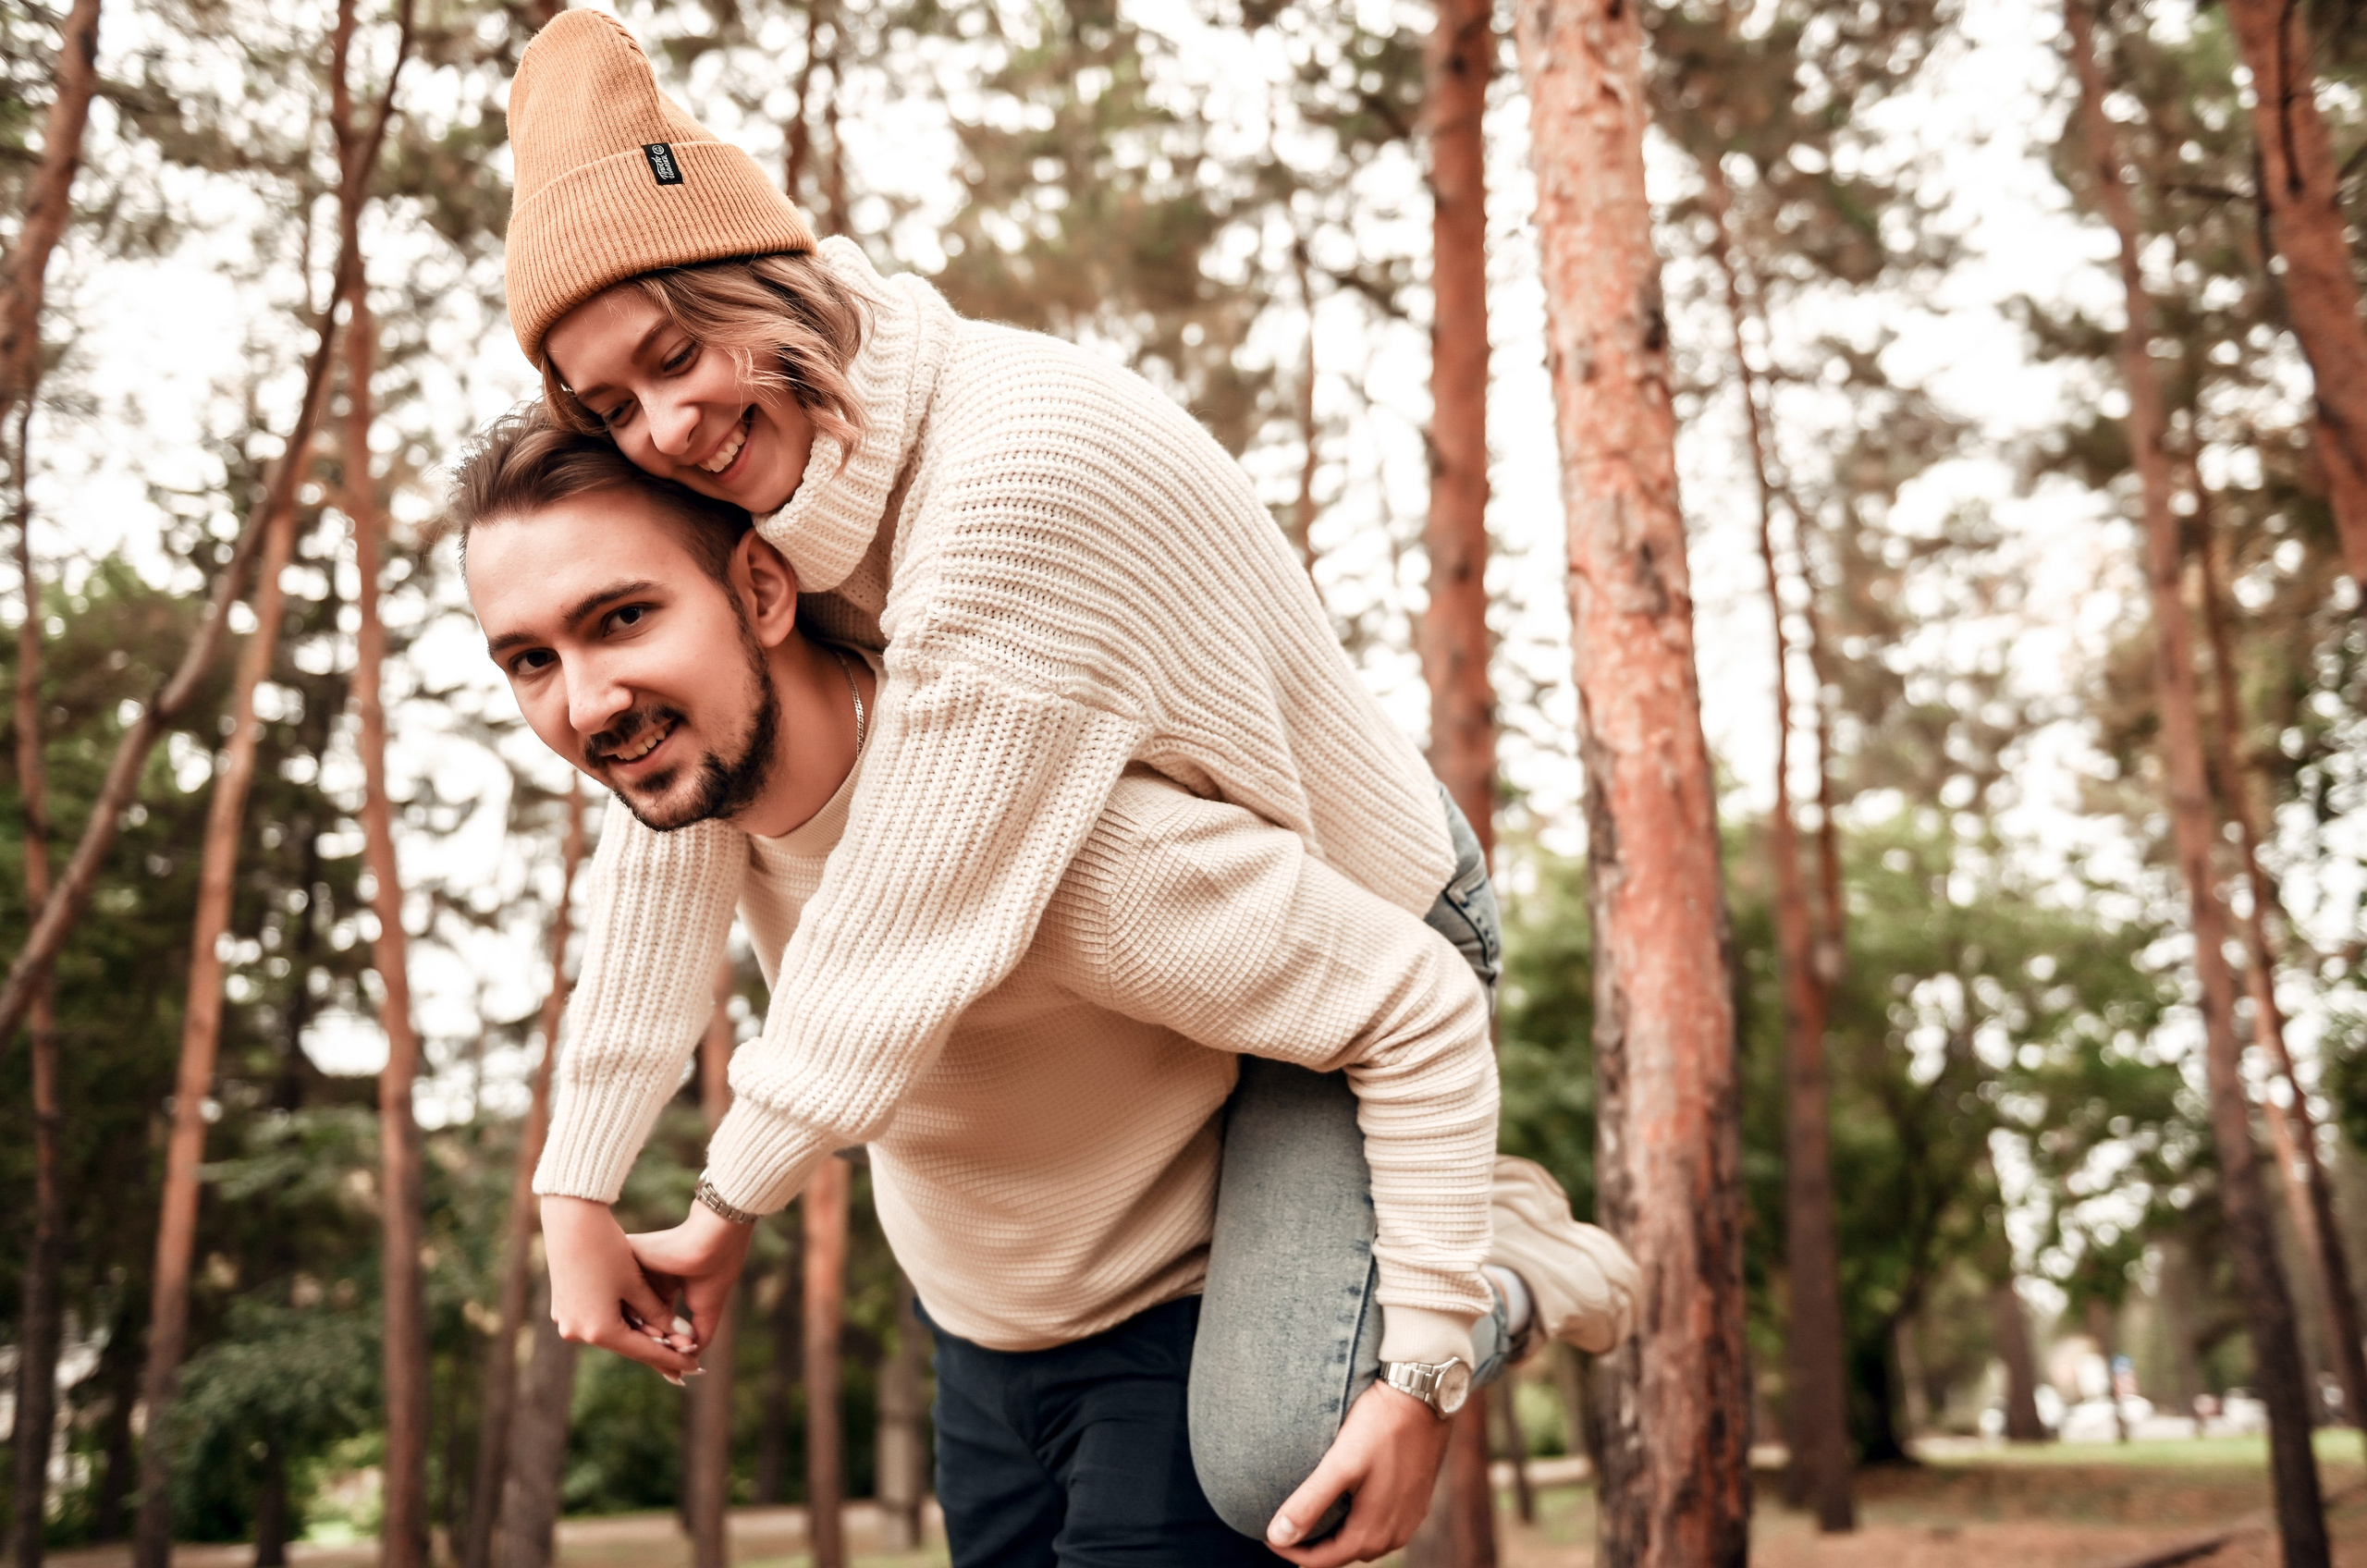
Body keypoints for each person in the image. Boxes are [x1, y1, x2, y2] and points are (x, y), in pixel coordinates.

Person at [485, 12, 1639, 1562]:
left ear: (769, 286)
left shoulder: (1010, 486)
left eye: (678, 356)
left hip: (1364, 909)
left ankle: (1498, 1254)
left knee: (1274, 1448)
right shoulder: (805, 483)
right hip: (1191, 919)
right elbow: (683, 817)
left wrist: (726, 1201)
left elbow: (904, 907)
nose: (667, 430)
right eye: (615, 408)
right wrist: (575, 1182)